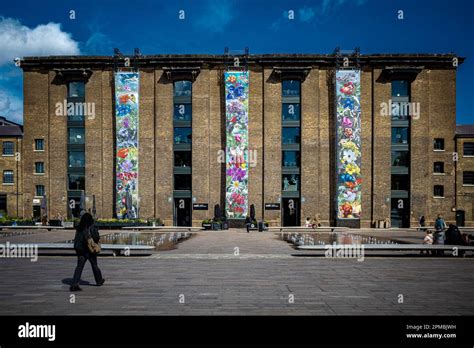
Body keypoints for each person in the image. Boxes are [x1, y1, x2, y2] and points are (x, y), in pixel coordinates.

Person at [70, 212, 104, 291]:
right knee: (94, 265)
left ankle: (75, 284)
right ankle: (99, 281)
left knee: (79, 267)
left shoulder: (79, 227)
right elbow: (96, 237)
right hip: (89, 250)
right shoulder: (91, 226)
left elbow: (77, 240)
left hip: (80, 250)